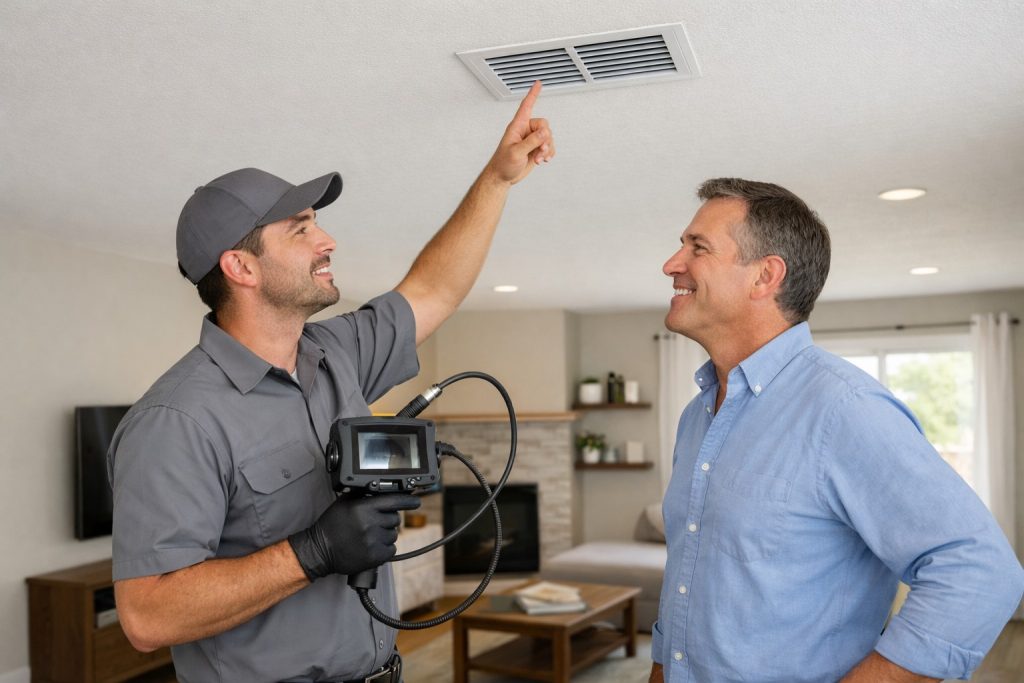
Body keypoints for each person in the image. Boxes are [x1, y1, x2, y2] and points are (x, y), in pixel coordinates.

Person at [107, 82, 554, 683]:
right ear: (240, 267)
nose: (328, 241)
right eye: (300, 230)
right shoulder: (175, 421)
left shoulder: (335, 352)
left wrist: (496, 180)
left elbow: (434, 289)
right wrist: (311, 552)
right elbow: (147, 615)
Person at [649, 178, 1024, 683]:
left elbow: (980, 571)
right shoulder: (697, 416)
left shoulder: (845, 409)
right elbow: (689, 575)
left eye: (698, 247)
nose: (672, 264)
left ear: (765, 276)